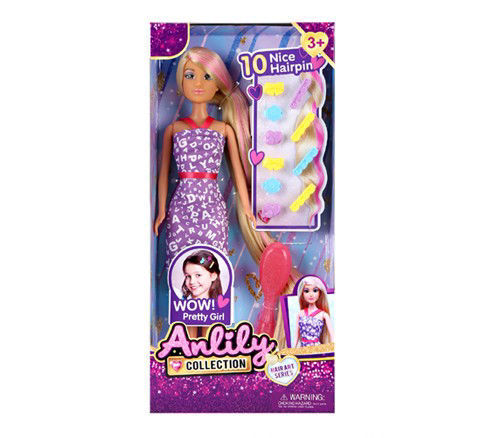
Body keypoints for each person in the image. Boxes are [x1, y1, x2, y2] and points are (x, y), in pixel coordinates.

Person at [293, 276, 334, 347]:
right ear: (302, 294)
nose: (311, 295)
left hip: (316, 348)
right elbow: (296, 335)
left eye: (315, 290)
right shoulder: (300, 314)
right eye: (306, 291)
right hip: (303, 348)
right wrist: (293, 348)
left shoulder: (323, 315)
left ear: (320, 293)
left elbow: (332, 336)